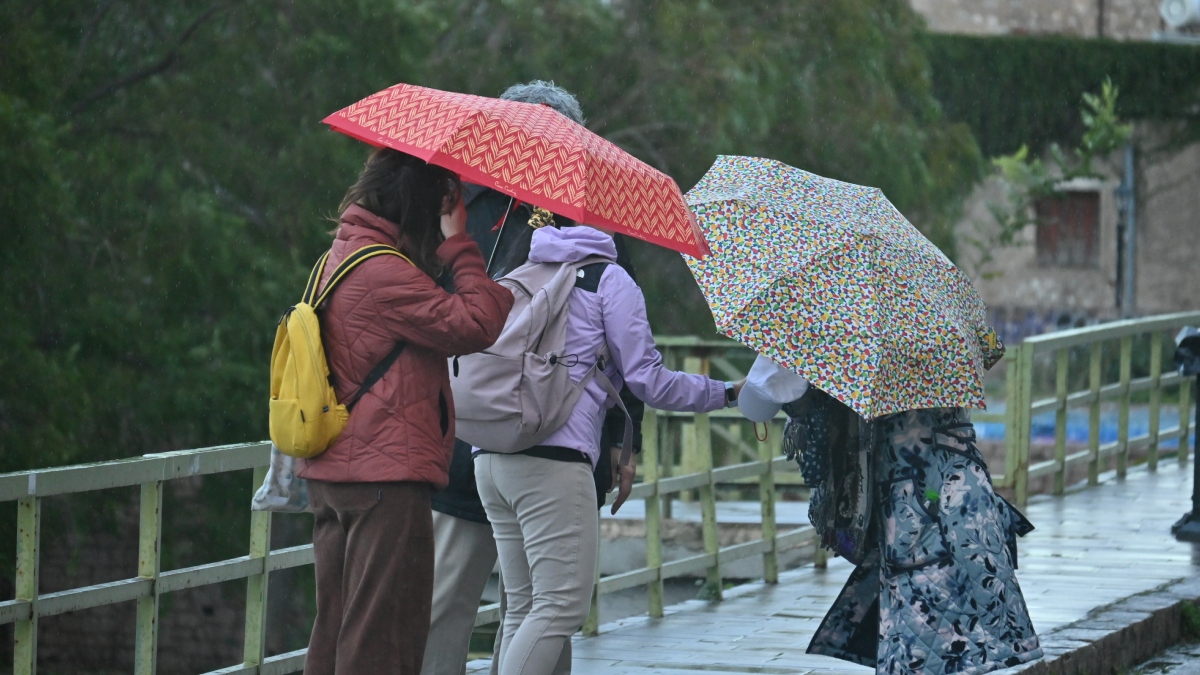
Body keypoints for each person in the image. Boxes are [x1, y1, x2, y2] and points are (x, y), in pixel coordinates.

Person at [422, 81, 644, 675]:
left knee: (464, 604)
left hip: (468, 434)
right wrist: (624, 443)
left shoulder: (455, 211)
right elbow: (623, 348)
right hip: (555, 443)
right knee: (546, 607)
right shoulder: (594, 228)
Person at [474, 218, 744, 675]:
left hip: (492, 455)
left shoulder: (519, 266)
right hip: (554, 463)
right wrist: (728, 393)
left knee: (524, 606)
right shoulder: (609, 278)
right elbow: (650, 381)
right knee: (559, 607)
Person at [297, 148, 514, 675]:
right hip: (383, 480)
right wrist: (462, 243)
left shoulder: (340, 258)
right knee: (382, 636)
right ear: (419, 205)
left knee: (338, 630)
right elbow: (477, 322)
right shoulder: (382, 272)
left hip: (338, 471)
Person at [738, 346, 1043, 675]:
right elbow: (984, 354)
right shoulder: (942, 315)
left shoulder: (830, 329)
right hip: (967, 489)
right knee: (977, 639)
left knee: (923, 646)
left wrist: (736, 390)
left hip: (912, 500)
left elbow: (758, 402)